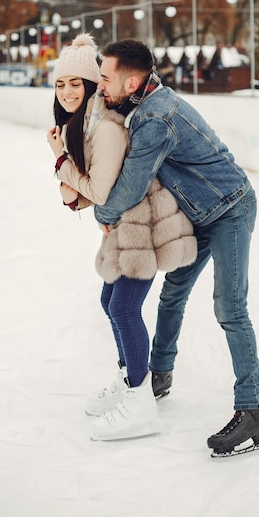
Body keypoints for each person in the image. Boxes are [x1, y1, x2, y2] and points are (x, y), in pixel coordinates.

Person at [94, 38, 259, 456]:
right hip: (202, 213)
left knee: (230, 308)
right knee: (172, 295)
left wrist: (103, 216)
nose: (101, 85)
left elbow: (131, 186)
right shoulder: (144, 102)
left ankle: (252, 411)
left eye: (105, 78)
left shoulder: (156, 118)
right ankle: (159, 374)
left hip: (229, 209)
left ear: (133, 80)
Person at [46, 33, 197, 442]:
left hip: (141, 225)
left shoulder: (106, 128)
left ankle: (139, 399)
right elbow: (76, 197)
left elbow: (96, 192)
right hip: (126, 224)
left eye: (77, 83)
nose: (67, 92)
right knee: (110, 301)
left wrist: (61, 163)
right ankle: (130, 378)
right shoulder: (83, 124)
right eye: (60, 84)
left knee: (125, 308)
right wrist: (70, 180)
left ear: (96, 85)